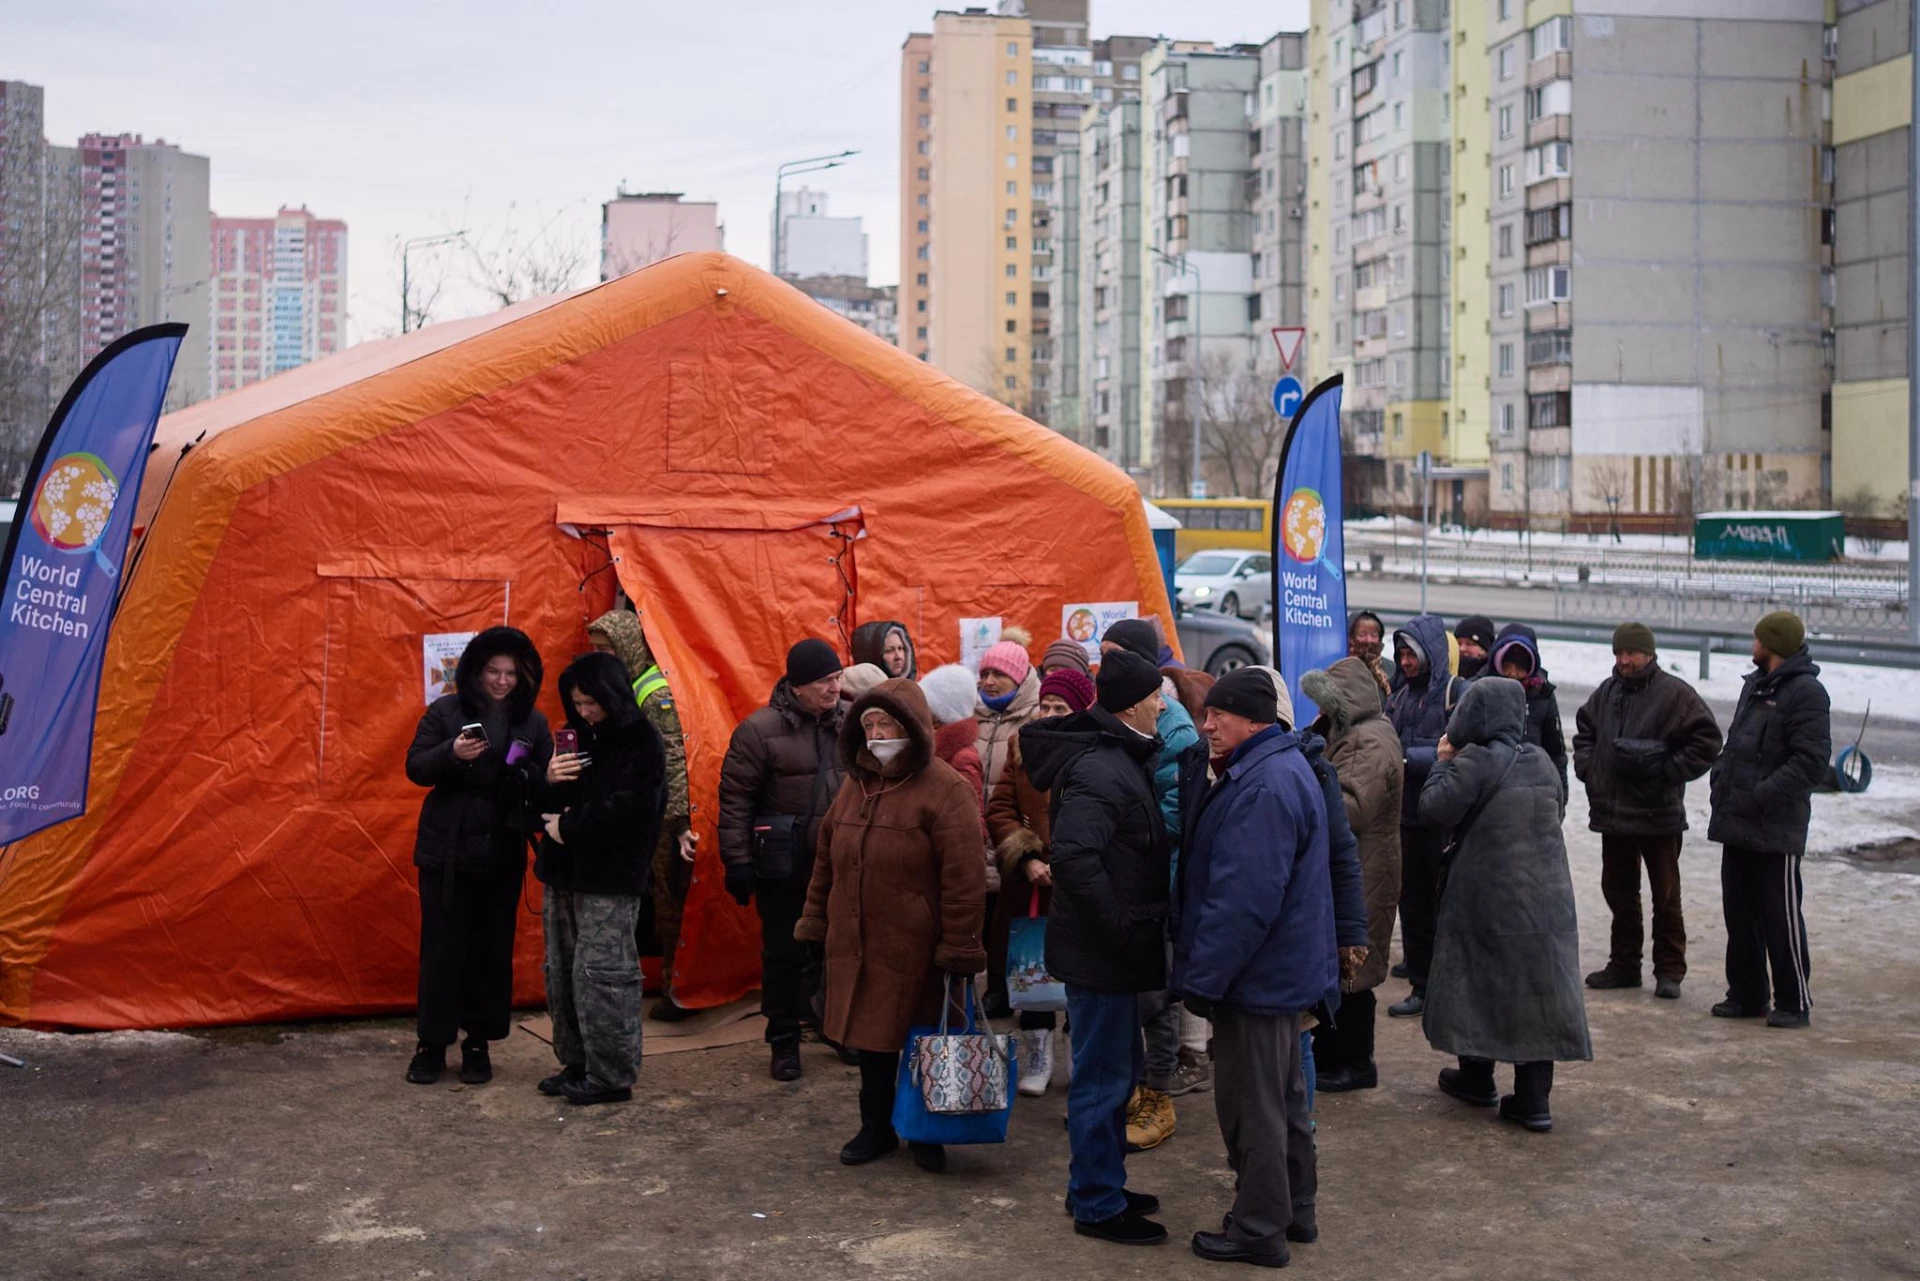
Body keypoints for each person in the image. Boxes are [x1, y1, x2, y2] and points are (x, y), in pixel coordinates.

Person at [1174, 667, 1334, 1268]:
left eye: (1219, 715)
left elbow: (1243, 901)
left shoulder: (1263, 785)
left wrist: (1204, 981)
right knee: (1284, 1100)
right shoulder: (1274, 768)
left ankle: (1260, 1228)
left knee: (1253, 1108)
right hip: (1279, 976)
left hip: (1256, 980)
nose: (1207, 724)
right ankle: (1295, 1211)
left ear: (1254, 720)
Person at [795, 678, 988, 1174]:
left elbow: (964, 879)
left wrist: (959, 946)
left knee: (924, 1035)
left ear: (915, 728)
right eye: (869, 723)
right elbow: (826, 859)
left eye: (887, 723)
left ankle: (927, 1133)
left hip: (918, 945)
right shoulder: (854, 784)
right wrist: (815, 919)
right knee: (872, 1040)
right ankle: (875, 1127)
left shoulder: (947, 790)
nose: (877, 732)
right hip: (858, 940)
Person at [1020, 650, 1173, 1246]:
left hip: (1110, 950)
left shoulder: (1117, 758)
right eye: (1157, 696)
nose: (1163, 705)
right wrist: (1117, 927)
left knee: (1116, 1071)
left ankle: (1097, 1179)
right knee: (1103, 1079)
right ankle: (1096, 1203)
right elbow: (1077, 858)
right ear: (1133, 704)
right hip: (1102, 952)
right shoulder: (1100, 768)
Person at [1420, 679, 1592, 1133]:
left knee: (1475, 976)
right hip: (1547, 900)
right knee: (1538, 989)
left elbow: (1434, 809)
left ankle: (1476, 1077)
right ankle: (1534, 1099)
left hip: (1487, 897)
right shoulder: (1540, 761)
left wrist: (1441, 763)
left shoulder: (1474, 760)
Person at [403, 627, 551, 1086]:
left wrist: (527, 777)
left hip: (501, 849)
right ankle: (430, 1044)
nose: (503, 681)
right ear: (476, 671)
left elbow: (546, 781)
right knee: (442, 950)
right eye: (493, 671)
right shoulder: (446, 710)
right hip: (445, 850)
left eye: (511, 672)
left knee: (489, 951)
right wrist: (452, 752)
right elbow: (415, 766)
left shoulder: (534, 721)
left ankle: (477, 1043)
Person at [535, 652, 668, 1105]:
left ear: (612, 694)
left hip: (610, 877)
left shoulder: (640, 740)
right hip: (563, 874)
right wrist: (550, 778)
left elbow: (634, 810)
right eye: (578, 703)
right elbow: (541, 802)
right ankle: (576, 1061)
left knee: (603, 975)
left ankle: (611, 1075)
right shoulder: (576, 737)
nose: (586, 711)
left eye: (592, 702)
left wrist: (568, 828)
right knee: (562, 971)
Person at [718, 638, 847, 1081]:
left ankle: (838, 1028)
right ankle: (784, 1040)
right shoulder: (758, 731)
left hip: (841, 865)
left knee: (840, 950)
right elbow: (735, 801)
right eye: (825, 681)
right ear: (797, 686)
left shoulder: (852, 724)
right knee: (784, 955)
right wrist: (736, 863)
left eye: (837, 677)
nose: (835, 688)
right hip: (783, 867)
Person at [1573, 622, 1723, 1001]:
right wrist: (1591, 770)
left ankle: (1669, 971)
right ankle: (1624, 965)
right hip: (1615, 816)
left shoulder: (1675, 695)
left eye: (1631, 653)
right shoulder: (1606, 694)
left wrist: (1667, 772)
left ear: (1649, 654)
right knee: (1620, 894)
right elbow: (1584, 733)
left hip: (1659, 816)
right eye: (1619, 653)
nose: (1624, 660)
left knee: (1666, 897)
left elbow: (1707, 741)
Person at [1100, 619, 1205, 1153]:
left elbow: (1172, 813)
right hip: (1133, 880)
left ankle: (1158, 1096)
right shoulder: (1126, 716)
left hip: (1156, 883)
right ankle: (1128, 1095)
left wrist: (1125, 835)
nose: (1105, 666)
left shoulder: (1175, 727)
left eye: (1114, 655)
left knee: (1154, 999)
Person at [1708, 611, 1831, 1028]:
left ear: (1772, 644)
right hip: (1737, 820)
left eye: (1758, 637)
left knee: (1780, 918)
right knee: (1739, 914)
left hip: (1774, 827)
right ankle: (1747, 995)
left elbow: (1811, 762)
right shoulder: (1755, 686)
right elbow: (1736, 743)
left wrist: (1764, 794)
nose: (1752, 643)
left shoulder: (1807, 693)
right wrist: (1721, 778)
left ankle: (1794, 1001)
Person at [986, 666, 1095, 1097]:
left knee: (1078, 976)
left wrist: (1070, 862)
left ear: (1080, 710)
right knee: (1030, 972)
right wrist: (1026, 854)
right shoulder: (1021, 745)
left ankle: (1076, 1057)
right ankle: (1037, 1056)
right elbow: (1000, 810)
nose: (1049, 713)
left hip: (1077, 886)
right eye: (1045, 704)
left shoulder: (1093, 751)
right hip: (1029, 885)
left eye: (1060, 706)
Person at [585, 610, 697, 1022]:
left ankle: (675, 988)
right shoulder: (622, 687)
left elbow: (673, 759)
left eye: (606, 648)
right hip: (637, 814)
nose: (601, 656)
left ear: (627, 645)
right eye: (595, 649)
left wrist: (677, 822)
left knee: (670, 908)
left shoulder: (652, 692)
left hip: (662, 819)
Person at [1301, 657, 1404, 1092]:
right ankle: (1337, 1058)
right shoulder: (1354, 734)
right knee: (1346, 965)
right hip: (1362, 865)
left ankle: (1357, 1063)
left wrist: (1306, 783)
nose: (1319, 713)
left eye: (1325, 705)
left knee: (1355, 970)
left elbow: (1352, 808)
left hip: (1366, 869)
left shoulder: (1367, 741)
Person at [1385, 613, 1463, 1018]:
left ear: (1430, 653)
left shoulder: (1455, 693)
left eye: (1411, 653)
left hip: (1442, 820)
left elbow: (1455, 749)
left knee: (1445, 908)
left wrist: (1404, 759)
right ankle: (1422, 986)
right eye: (1400, 653)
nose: (1404, 660)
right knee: (1411, 907)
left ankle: (1449, 989)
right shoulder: (1397, 697)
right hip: (1406, 818)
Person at [1489, 622, 1567, 789]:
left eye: (1520, 667)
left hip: (1532, 787)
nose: (1513, 674)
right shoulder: (1482, 689)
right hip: (1489, 788)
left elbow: (1556, 751)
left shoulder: (1542, 694)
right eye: (1507, 666)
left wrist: (1560, 793)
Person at [974, 629, 1042, 795]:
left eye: (998, 674)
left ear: (1018, 679)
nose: (988, 682)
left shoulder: (1037, 717)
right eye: (984, 674)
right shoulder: (970, 712)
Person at [919, 664, 986, 812]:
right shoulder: (935, 748)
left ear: (940, 711)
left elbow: (971, 820)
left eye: (925, 703)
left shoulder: (962, 759)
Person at [851, 620, 917, 681]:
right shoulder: (858, 693)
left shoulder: (915, 691)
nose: (898, 656)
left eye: (901, 648)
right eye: (889, 650)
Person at [1347, 610, 1391, 698]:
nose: (1368, 640)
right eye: (1362, 634)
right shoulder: (1340, 666)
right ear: (1351, 637)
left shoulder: (1391, 669)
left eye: (1374, 635)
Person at [1453, 615, 1496, 681]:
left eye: (1469, 644)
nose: (1462, 648)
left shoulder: (1493, 679)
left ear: (1485, 649)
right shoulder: (1445, 673)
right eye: (1458, 643)